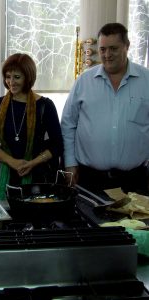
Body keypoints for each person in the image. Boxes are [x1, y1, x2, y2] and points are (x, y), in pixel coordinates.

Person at [61, 22, 149, 193]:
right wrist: (70, 163)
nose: (107, 55)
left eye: (113, 48)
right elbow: (68, 124)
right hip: (90, 179)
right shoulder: (83, 82)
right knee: (87, 220)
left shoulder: (146, 81)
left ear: (127, 46)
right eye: (102, 49)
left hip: (134, 181)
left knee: (134, 221)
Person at [0, 53, 64, 200]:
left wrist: (32, 163)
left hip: (36, 180)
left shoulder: (45, 106)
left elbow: (57, 145)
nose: (11, 82)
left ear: (28, 77)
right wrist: (13, 162)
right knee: (6, 221)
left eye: (17, 77)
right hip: (4, 177)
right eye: (8, 76)